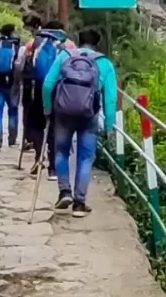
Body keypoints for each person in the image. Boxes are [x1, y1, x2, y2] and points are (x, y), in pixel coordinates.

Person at [41, 27, 117, 216]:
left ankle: (64, 191)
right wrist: (109, 126)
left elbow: (48, 84)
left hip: (63, 113)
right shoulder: (104, 63)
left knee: (61, 151)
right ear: (97, 44)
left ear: (79, 40)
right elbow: (110, 99)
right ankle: (79, 203)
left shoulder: (65, 55)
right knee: (85, 157)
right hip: (89, 116)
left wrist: (48, 108)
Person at [20, 17, 71, 175]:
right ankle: (53, 169)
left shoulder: (33, 43)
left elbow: (20, 66)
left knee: (36, 125)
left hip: (36, 90)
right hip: (58, 92)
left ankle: (38, 157)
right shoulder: (68, 45)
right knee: (55, 128)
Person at [0, 23, 21, 152]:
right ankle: (12, 140)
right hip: (12, 86)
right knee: (13, 112)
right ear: (13, 32)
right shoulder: (17, 47)